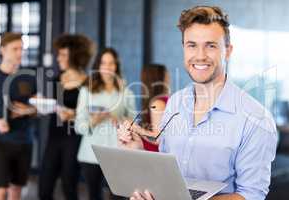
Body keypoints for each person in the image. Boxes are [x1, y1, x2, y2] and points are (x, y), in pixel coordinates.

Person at [118, 6, 277, 200]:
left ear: (227, 51)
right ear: (184, 48)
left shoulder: (255, 119)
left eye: (210, 45)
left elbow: (251, 195)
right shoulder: (175, 103)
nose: (200, 55)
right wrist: (139, 151)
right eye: (192, 45)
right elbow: (166, 167)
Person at [38, 34, 95, 200]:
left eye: (63, 55)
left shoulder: (87, 82)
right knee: (44, 187)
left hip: (73, 138)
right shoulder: (57, 79)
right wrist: (42, 104)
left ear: (75, 56)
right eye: (59, 54)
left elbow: (91, 113)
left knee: (69, 186)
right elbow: (51, 106)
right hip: (54, 137)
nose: (58, 58)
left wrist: (73, 114)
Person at [74, 48, 136, 200]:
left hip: (118, 153)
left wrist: (120, 120)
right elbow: (78, 126)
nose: (107, 67)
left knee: (119, 196)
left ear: (116, 66)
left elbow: (134, 124)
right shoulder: (86, 90)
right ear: (98, 66)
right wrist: (93, 121)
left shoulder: (126, 92)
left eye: (111, 63)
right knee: (94, 196)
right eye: (103, 63)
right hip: (90, 154)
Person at [0, 32, 37, 200]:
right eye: (15, 49)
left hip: (25, 142)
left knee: (15, 191)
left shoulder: (28, 78)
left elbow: (37, 108)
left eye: (21, 49)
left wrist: (28, 110)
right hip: (0, 143)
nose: (19, 53)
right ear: (2, 50)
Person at [121, 64, 170, 151]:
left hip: (155, 156)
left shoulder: (158, 103)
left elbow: (158, 138)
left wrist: (137, 128)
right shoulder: (162, 101)